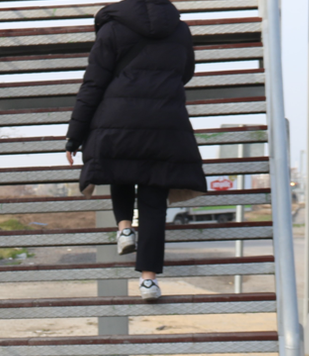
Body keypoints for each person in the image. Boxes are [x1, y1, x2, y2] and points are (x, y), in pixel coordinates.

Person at [64, 0, 207, 300]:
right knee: (154, 203)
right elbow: (186, 72)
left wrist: (74, 136)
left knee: (121, 170)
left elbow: (93, 83)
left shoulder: (113, 28)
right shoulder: (180, 30)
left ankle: (125, 227)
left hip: (119, 117)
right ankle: (148, 281)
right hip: (165, 120)